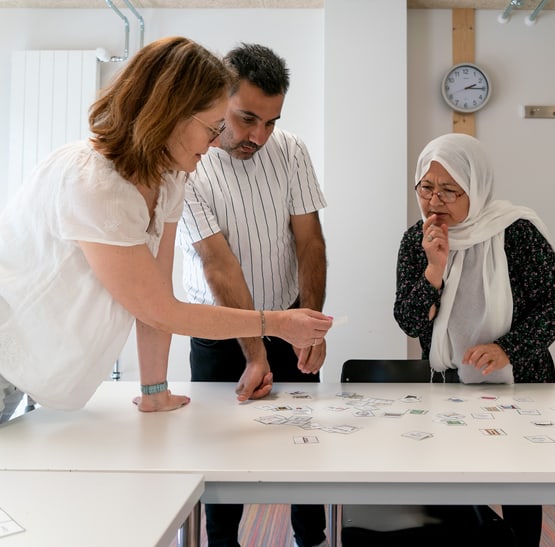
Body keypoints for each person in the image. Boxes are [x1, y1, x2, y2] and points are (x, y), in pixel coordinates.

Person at [0, 36, 333, 423]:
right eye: (212, 128)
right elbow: (160, 310)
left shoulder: (171, 180)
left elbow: (158, 295)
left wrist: (154, 391)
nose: (212, 145)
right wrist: (273, 323)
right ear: (170, 115)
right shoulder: (91, 180)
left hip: (37, 372)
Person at [178, 44, 328, 547]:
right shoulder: (187, 162)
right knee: (224, 465)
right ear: (218, 98)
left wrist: (311, 325)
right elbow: (219, 264)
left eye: (270, 121)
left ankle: (311, 540)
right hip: (220, 337)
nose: (258, 137)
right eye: (246, 119)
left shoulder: (291, 150)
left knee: (305, 454)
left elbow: (309, 241)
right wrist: (257, 352)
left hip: (289, 320)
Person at [393, 133, 555, 546]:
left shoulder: (516, 232)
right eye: (426, 188)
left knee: (521, 487)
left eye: (449, 190)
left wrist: (506, 349)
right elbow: (409, 320)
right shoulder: (415, 241)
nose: (434, 201)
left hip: (521, 381)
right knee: (453, 485)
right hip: (448, 385)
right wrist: (434, 268)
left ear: (475, 187)